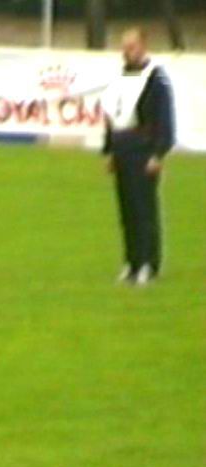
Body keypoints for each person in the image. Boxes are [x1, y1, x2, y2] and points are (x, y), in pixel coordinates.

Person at [102, 27, 176, 286]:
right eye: (124, 47)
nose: (127, 52)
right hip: (123, 147)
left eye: (131, 47)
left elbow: (164, 119)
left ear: (144, 46)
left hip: (143, 148)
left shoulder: (156, 78)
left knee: (144, 208)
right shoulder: (120, 77)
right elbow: (113, 116)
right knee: (127, 209)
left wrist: (158, 153)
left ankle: (149, 263)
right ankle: (131, 261)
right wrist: (109, 150)